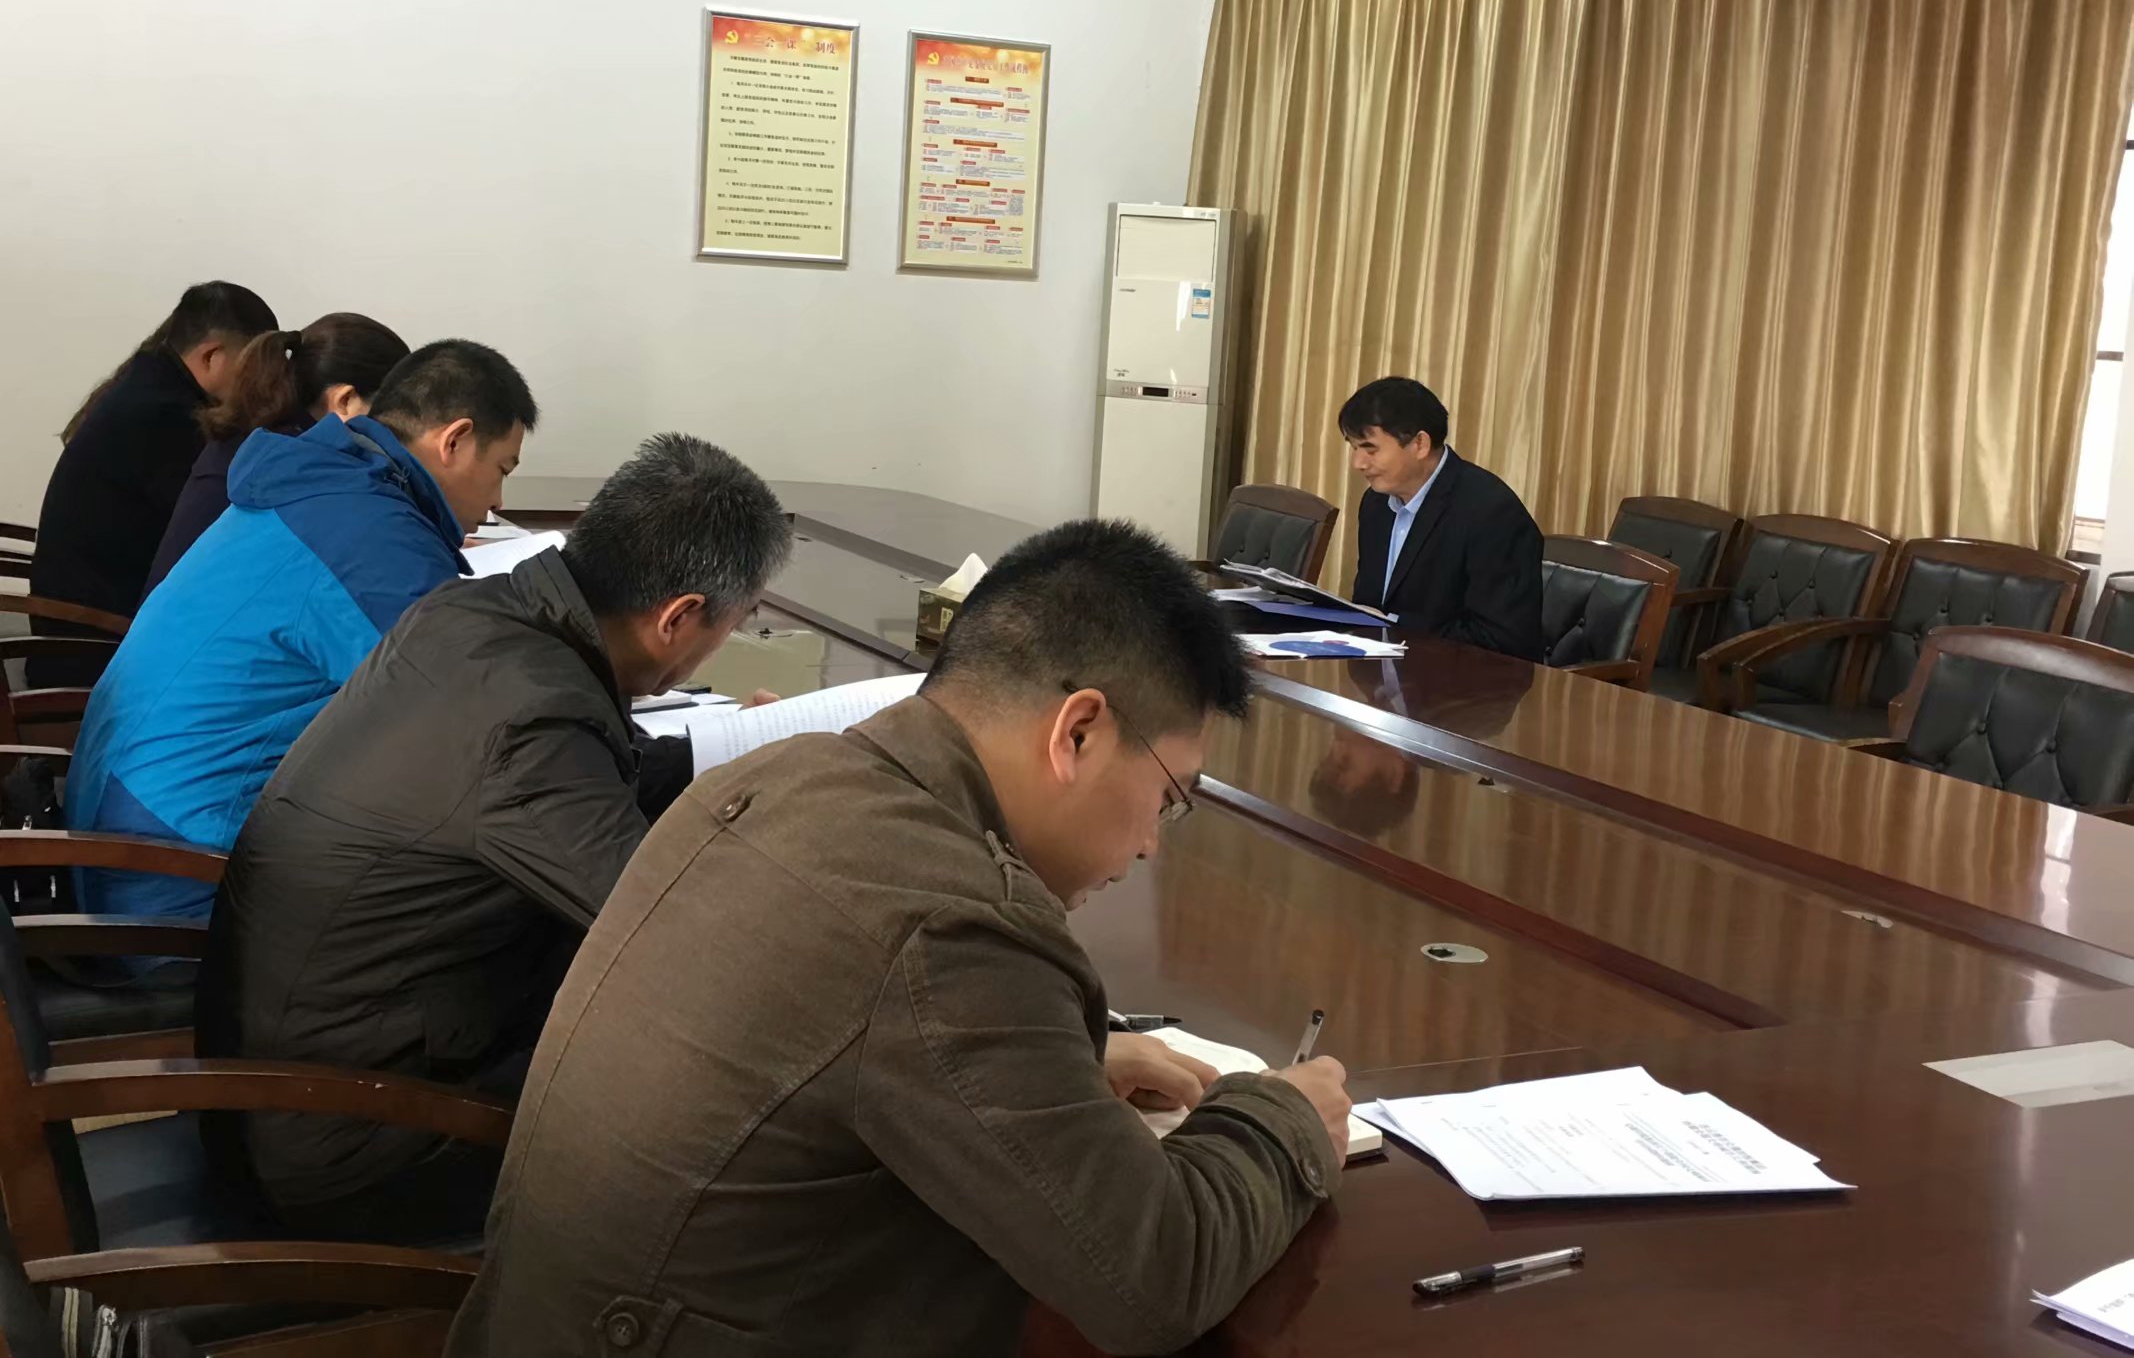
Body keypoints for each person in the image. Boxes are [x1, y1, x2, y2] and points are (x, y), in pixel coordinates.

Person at [446, 520, 1351, 1358]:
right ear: (1077, 731)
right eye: (1169, 795)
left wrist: (1060, 1063)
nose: (1153, 841)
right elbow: (1155, 1277)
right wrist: (1283, 1121)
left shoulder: (784, 774)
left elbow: (847, 1029)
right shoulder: (955, 924)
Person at [197, 434, 793, 1244]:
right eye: (737, 621)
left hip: (292, 1075)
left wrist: (751, 753)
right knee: (747, 1102)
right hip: (356, 1144)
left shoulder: (474, 615)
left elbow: (589, 772)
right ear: (679, 617)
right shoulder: (535, 719)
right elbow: (674, 927)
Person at [65, 339, 538, 924]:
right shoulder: (370, 536)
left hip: (127, 835)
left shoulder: (327, 489)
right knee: (499, 890)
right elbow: (480, 720)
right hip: (176, 882)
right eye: (501, 471)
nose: (495, 501)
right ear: (456, 440)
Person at [27, 281, 279, 683]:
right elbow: (211, 537)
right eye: (253, 366)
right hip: (92, 649)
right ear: (212, 356)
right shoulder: (165, 415)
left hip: (75, 628)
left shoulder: (148, 384)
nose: (259, 382)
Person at [144, 313, 411, 595]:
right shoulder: (293, 466)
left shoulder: (260, 438)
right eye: (390, 417)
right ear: (345, 400)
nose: (396, 436)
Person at [1340, 376, 1544, 660]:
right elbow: (1370, 606)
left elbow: (1500, 641)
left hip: (1462, 680)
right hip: (1384, 672)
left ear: (1420, 444)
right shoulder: (1376, 504)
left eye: (1370, 449)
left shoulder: (1492, 512)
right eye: (1354, 448)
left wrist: (1397, 627)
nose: (1358, 463)